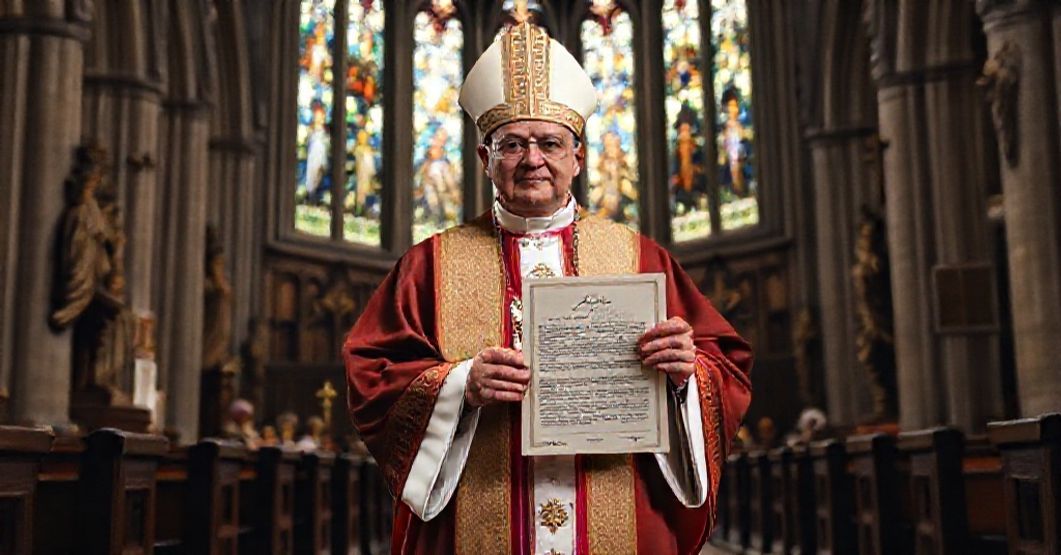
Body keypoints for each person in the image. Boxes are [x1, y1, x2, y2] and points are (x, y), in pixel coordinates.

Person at [344, 20, 752, 554]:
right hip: (479, 508)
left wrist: (684, 374)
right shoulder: (429, 265)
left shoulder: (639, 257)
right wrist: (460, 385)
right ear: (484, 159)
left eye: (550, 143)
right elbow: (373, 376)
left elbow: (725, 366)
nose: (533, 159)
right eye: (512, 143)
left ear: (577, 158)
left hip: (615, 504)